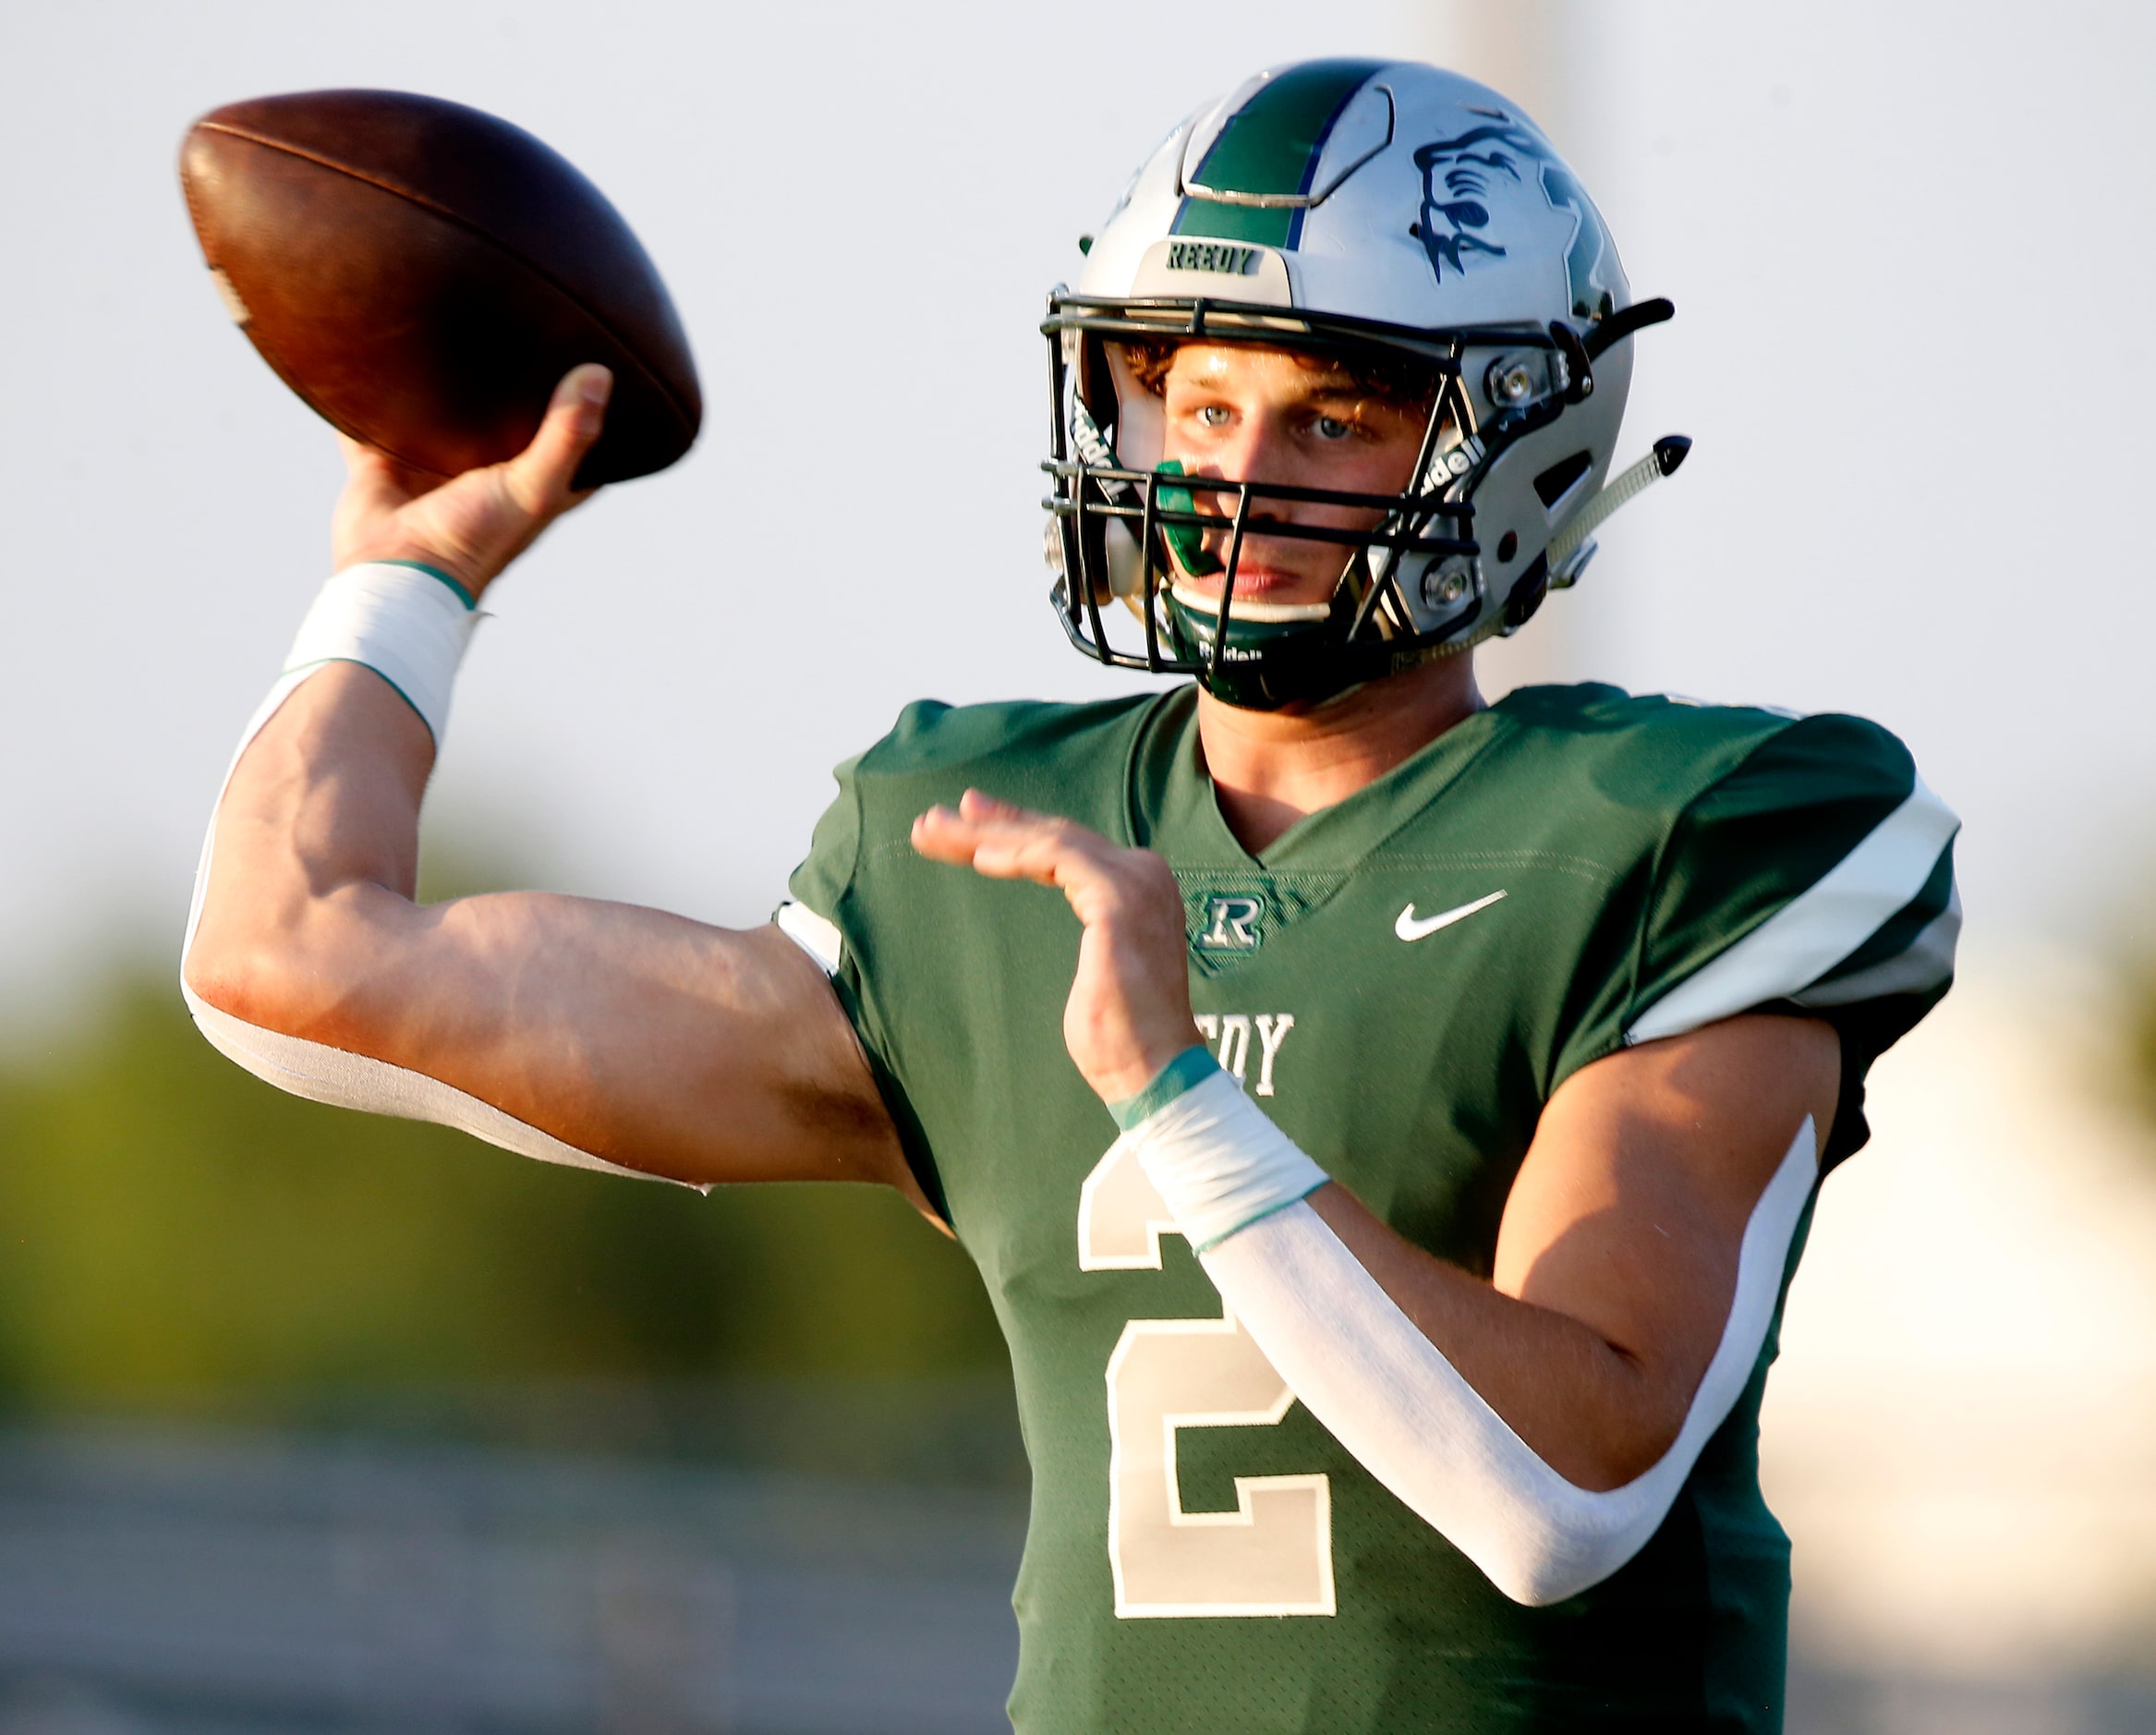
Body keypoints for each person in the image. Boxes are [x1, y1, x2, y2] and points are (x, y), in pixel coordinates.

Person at [182, 58, 1958, 1732]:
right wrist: (406, 581)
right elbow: (285, 956)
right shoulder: (982, 844)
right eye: (1195, 399)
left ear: (1518, 440)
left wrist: (1173, 1093)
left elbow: (1558, 1495)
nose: (1236, 474)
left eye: (1330, 412)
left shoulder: (1681, 829)